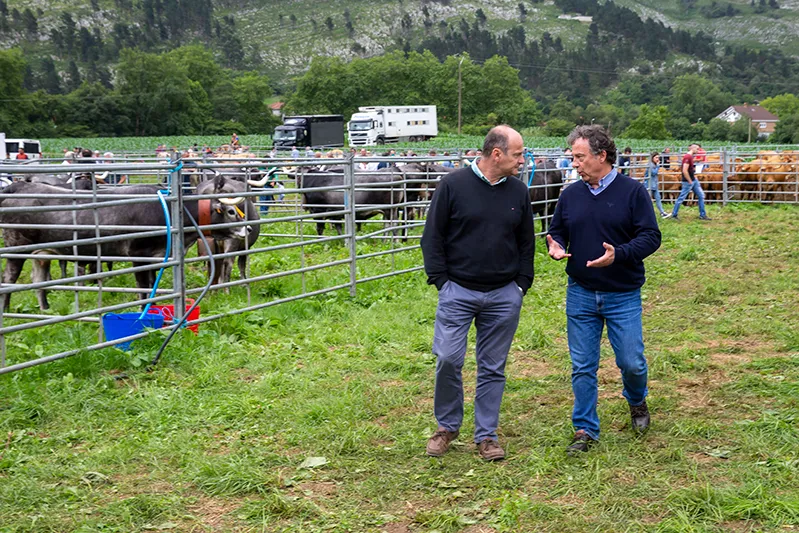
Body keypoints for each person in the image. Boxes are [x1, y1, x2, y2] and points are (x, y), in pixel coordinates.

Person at [421, 125, 534, 462]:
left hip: (503, 294)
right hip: (458, 291)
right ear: (495, 154)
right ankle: (447, 426)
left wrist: (521, 284)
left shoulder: (518, 192)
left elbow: (526, 242)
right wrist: (442, 281)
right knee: (447, 359)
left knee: (492, 367)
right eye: (517, 154)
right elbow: (433, 237)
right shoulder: (453, 185)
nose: (522, 160)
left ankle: (486, 435)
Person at [546, 125, 662, 455]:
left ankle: (637, 401)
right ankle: (584, 429)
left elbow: (651, 237)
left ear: (602, 156)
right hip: (581, 291)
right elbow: (557, 230)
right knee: (583, 365)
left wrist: (619, 255)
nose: (575, 164)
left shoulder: (632, 192)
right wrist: (555, 246)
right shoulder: (570, 194)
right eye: (573, 158)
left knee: (631, 362)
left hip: (622, 292)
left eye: (580, 158)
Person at [671, 143, 711, 221]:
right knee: (681, 197)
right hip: (688, 181)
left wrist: (694, 176)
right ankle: (674, 214)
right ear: (693, 148)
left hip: (693, 179)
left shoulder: (690, 157)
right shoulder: (687, 157)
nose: (698, 151)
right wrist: (689, 180)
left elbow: (689, 170)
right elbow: (684, 170)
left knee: (701, 195)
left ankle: (702, 215)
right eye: (697, 149)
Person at [645, 152, 669, 218]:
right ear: (652, 158)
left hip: (654, 185)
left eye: (658, 157)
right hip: (649, 185)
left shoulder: (654, 165)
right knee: (647, 200)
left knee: (658, 198)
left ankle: (662, 212)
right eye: (656, 157)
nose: (657, 159)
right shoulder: (650, 165)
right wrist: (658, 166)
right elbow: (653, 173)